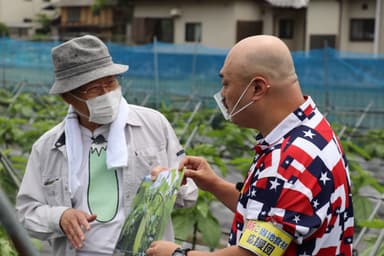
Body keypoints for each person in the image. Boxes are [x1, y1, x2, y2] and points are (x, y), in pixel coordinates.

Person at [146, 35, 354, 256]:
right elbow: (272, 213)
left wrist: (177, 254)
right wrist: (215, 185)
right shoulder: (313, 128)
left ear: (257, 88)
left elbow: (252, 254)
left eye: (226, 83)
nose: (223, 94)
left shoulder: (290, 161)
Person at [15, 34, 197, 255]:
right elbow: (26, 212)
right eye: (93, 89)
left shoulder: (153, 125)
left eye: (110, 83)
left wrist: (170, 182)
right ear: (68, 97)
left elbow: (188, 195)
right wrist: (60, 217)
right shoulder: (48, 147)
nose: (106, 94)